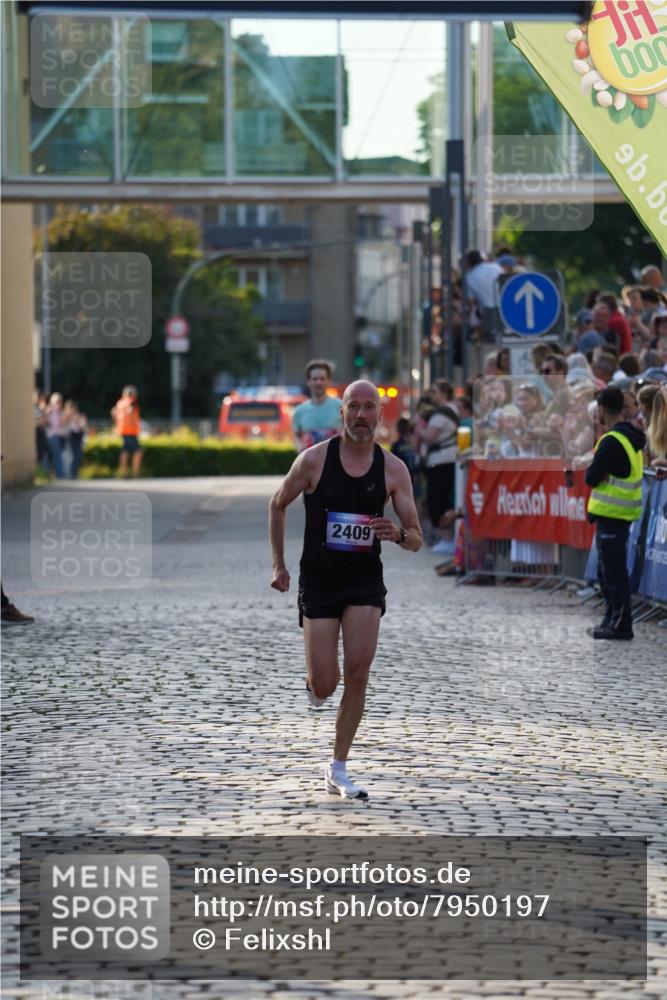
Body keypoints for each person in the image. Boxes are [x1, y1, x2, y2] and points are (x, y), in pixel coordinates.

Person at [268, 380, 423, 800]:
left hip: (364, 582)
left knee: (358, 673)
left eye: (368, 408)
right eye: (352, 407)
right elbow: (277, 504)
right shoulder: (314, 461)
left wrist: (398, 534)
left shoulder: (393, 469)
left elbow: (416, 538)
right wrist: (279, 566)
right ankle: (314, 684)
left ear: (379, 414)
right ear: (341, 414)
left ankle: (338, 767)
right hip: (318, 580)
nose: (360, 415)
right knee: (326, 683)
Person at [585, 386, 645, 640]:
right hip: (618, 514)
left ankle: (620, 623)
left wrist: (596, 470)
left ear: (601, 409)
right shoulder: (630, 436)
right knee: (606, 572)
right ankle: (611, 619)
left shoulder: (612, 440)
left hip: (613, 514)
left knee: (613, 573)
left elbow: (591, 477)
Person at [416, 380, 459, 555]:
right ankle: (445, 537)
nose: (431, 395)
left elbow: (429, 437)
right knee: (438, 498)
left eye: (434, 392)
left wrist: (419, 427)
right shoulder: (445, 412)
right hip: (441, 460)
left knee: (438, 499)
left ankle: (447, 537)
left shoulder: (442, 414)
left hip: (441, 461)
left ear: (444, 393)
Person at [291, 360, 342, 451]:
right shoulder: (299, 411)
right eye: (315, 379)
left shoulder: (341, 407)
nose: (318, 382)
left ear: (328, 381)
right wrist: (300, 449)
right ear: (308, 381)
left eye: (322, 379)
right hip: (310, 463)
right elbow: (296, 437)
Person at [111, 385, 142, 478]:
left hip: (122, 431)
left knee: (125, 452)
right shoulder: (131, 403)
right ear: (132, 394)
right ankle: (135, 473)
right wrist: (133, 423)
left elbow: (113, 412)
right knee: (138, 452)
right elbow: (130, 412)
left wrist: (117, 424)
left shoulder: (120, 403)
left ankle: (123, 473)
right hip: (130, 432)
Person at [63, 399, 87, 479]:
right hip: (70, 436)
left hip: (78, 436)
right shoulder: (66, 416)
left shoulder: (79, 416)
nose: (73, 410)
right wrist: (70, 417)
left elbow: (82, 426)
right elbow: (63, 424)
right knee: (72, 456)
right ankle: (72, 473)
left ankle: (74, 472)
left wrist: (78, 419)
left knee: (78, 455)